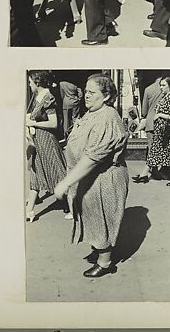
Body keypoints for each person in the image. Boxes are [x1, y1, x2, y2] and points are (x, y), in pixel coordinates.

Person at [54, 73, 129, 278]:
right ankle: (99, 247)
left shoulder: (107, 117)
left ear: (106, 96)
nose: (86, 96)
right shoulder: (92, 112)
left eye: (92, 92)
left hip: (104, 177)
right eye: (85, 91)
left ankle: (105, 263)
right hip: (90, 176)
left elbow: (92, 157)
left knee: (100, 214)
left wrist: (65, 182)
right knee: (89, 212)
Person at [25, 71, 68, 221]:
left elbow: (53, 123)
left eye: (30, 82)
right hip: (38, 141)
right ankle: (29, 210)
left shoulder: (48, 97)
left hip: (47, 141)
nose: (29, 84)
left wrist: (33, 123)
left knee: (59, 173)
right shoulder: (38, 97)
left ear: (37, 82)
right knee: (36, 173)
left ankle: (74, 206)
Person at [134, 77, 170, 183]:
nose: (161, 87)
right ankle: (145, 175)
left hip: (166, 131)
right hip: (160, 130)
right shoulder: (165, 97)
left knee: (165, 153)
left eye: (163, 85)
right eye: (161, 85)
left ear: (169, 86)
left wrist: (159, 114)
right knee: (158, 152)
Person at [133, 76, 163, 183]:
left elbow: (144, 111)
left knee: (152, 148)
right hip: (162, 122)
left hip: (150, 122)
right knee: (155, 148)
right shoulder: (165, 88)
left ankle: (146, 173)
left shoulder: (148, 89)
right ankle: (149, 172)